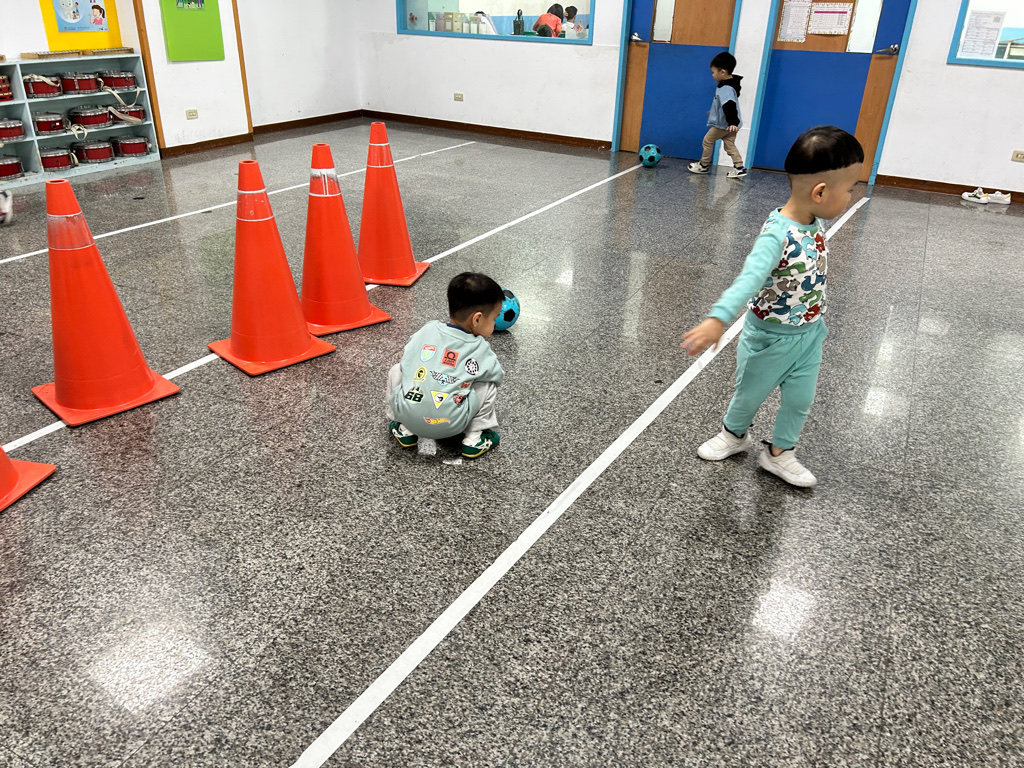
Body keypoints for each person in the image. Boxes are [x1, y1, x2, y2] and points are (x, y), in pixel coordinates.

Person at [680, 126, 864, 487]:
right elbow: (748, 279)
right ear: (820, 192)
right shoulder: (777, 234)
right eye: (849, 189)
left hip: (809, 335)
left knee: (800, 400)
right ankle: (734, 435)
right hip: (768, 339)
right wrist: (718, 318)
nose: (851, 197)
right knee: (748, 395)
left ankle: (780, 453)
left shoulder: (814, 221)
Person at [387, 272, 506, 459]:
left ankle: (404, 428)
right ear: (477, 319)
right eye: (494, 319)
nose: (494, 324)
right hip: (453, 424)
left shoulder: (427, 329)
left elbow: (407, 359)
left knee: (396, 370)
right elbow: (498, 376)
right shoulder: (480, 347)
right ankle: (475, 438)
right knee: (488, 383)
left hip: (408, 414)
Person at [687, 51, 747, 179]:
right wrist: (714, 111)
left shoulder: (725, 88)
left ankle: (703, 165)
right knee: (729, 145)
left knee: (707, 141)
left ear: (723, 72)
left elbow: (729, 105)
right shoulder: (732, 84)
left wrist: (732, 122)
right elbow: (723, 105)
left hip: (723, 124)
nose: (712, 75)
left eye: (714, 72)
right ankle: (739, 167)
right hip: (730, 125)